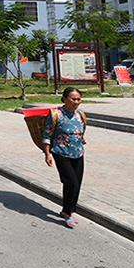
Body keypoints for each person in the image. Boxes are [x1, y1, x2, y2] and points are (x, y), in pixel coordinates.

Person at [42, 87, 86, 228]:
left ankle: (69, 210)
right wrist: (47, 154)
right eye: (73, 99)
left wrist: (81, 138)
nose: (76, 102)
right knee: (71, 182)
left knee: (76, 184)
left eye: (78, 99)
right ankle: (67, 212)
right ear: (64, 99)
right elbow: (47, 135)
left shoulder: (80, 114)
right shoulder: (56, 114)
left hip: (78, 153)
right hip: (61, 152)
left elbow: (79, 131)